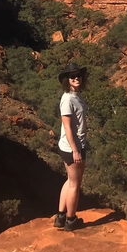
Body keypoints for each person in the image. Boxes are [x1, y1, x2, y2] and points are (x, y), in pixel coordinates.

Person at [53, 62, 89, 231]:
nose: (76, 78)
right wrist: (76, 150)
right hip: (72, 147)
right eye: (72, 76)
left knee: (70, 180)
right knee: (75, 184)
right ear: (67, 80)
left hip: (72, 145)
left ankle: (60, 217)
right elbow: (67, 126)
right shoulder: (67, 99)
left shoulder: (76, 95)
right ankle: (71, 220)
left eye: (78, 75)